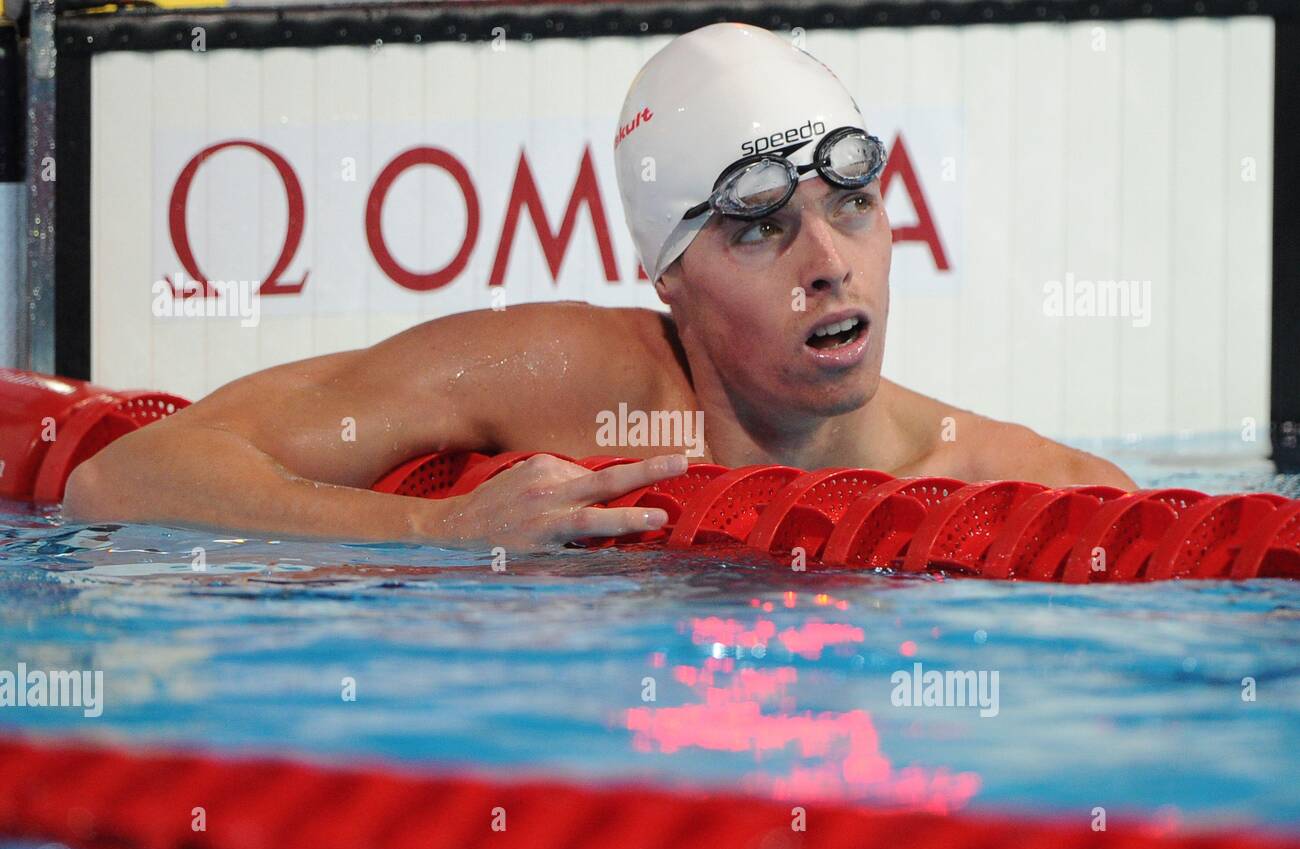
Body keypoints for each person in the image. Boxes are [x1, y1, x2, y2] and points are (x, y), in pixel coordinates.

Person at [65, 22, 1135, 550]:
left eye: (850, 203)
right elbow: (121, 480)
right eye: (761, 226)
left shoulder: (1017, 481)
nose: (829, 260)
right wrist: (433, 537)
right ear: (669, 272)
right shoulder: (565, 377)